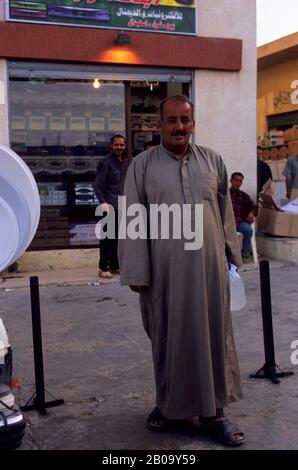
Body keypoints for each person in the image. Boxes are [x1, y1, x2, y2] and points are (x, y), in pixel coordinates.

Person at [118, 95, 245, 446]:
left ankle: (214, 414)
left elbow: (225, 216)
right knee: (168, 339)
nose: (179, 127)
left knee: (213, 339)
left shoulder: (213, 161)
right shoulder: (142, 165)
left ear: (193, 123)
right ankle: (170, 407)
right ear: (159, 125)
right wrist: (137, 272)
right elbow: (132, 219)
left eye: (184, 120)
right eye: (171, 120)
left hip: (208, 273)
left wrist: (232, 258)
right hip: (165, 274)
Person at [93, 135, 129, 279]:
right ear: (111, 146)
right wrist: (103, 203)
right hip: (109, 206)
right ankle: (103, 268)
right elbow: (97, 186)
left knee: (118, 238)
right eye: (116, 145)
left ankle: (115, 265)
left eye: (121, 145)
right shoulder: (105, 163)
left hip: (122, 205)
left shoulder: (126, 162)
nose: (119, 148)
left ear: (125, 146)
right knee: (107, 238)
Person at [229, 172, 257, 260]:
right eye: (236, 180)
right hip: (226, 222)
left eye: (240, 181)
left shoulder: (244, 196)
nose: (237, 183)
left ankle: (245, 254)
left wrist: (251, 213)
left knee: (248, 230)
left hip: (239, 222)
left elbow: (255, 208)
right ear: (231, 180)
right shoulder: (224, 195)